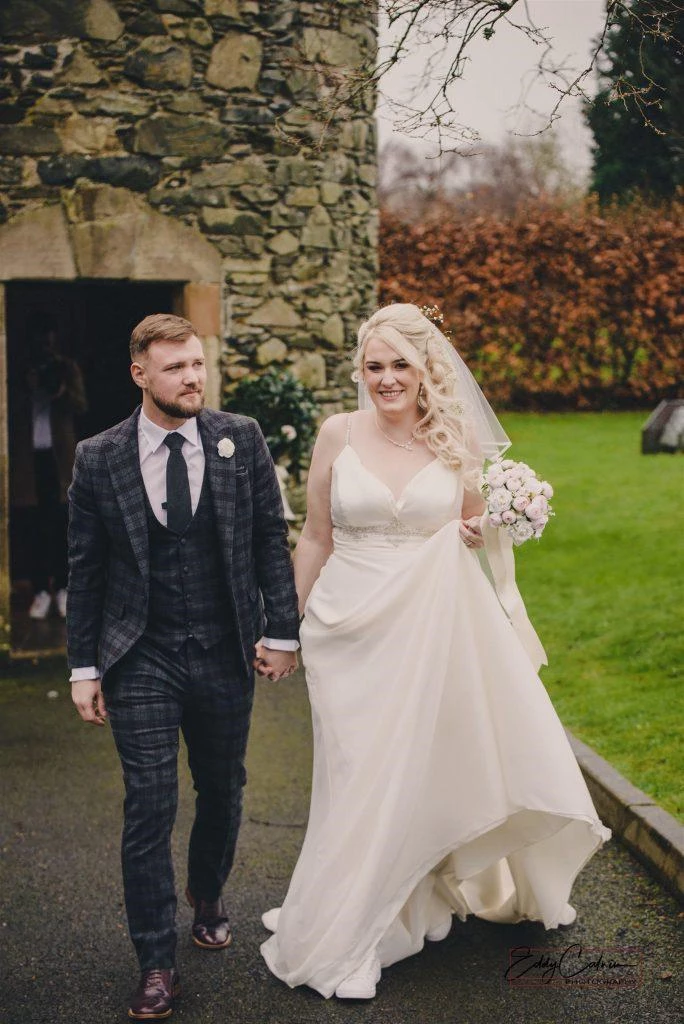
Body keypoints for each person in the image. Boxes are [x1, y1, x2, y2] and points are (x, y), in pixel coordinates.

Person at [260, 303, 610, 1000]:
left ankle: (388, 920)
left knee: (413, 772)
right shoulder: (337, 434)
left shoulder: (453, 441)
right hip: (345, 631)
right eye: (374, 366)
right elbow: (317, 538)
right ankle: (353, 919)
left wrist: (493, 525)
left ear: (427, 370)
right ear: (360, 370)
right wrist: (283, 628)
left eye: (400, 365)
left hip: (429, 630)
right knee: (356, 777)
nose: (386, 379)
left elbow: (472, 526)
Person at [67, 313, 299, 1021]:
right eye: (175, 368)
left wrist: (282, 632)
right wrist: (84, 665)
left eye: (198, 365)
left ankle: (209, 890)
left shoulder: (241, 439)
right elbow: (86, 568)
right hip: (141, 653)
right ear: (141, 373)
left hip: (224, 647)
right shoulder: (98, 457)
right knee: (150, 804)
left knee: (223, 787)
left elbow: (268, 539)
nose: (192, 378)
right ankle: (156, 962)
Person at [10, 313, 86, 619]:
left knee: (63, 526)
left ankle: (64, 589)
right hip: (29, 461)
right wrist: (28, 387)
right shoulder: (20, 372)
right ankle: (40, 590)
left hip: (60, 461)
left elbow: (82, 407)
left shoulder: (65, 368)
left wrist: (61, 390)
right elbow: (10, 411)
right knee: (34, 527)